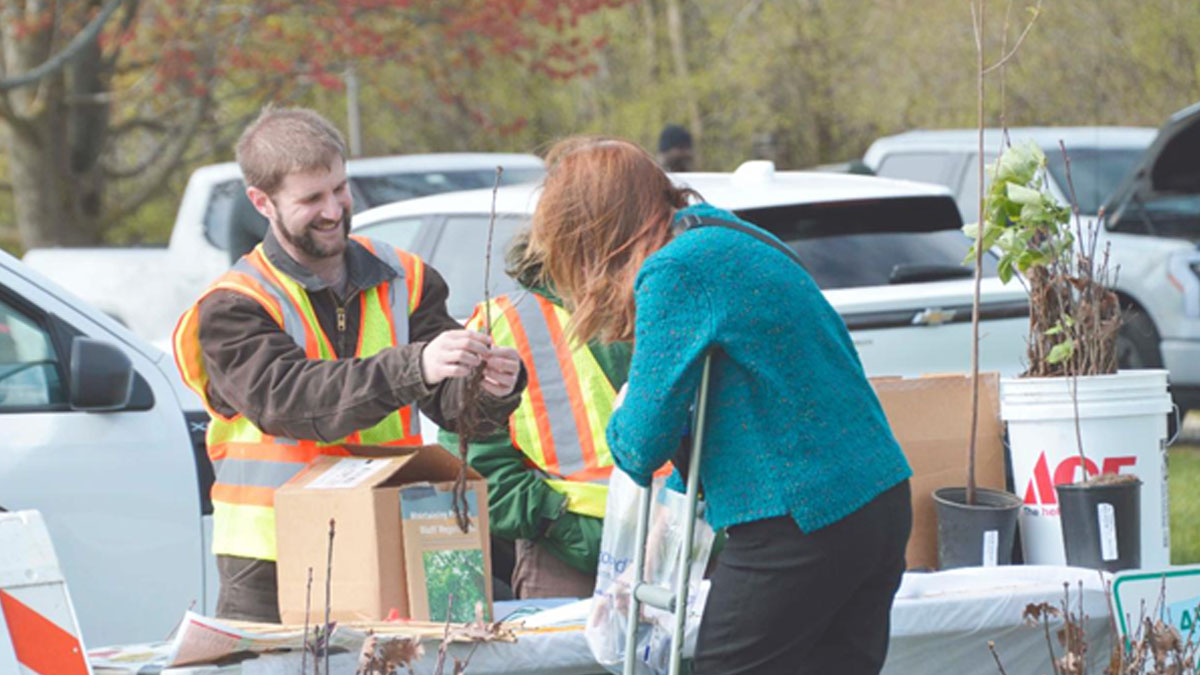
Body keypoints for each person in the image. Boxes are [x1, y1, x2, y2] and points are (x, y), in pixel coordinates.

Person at [529, 136, 913, 675]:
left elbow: (640, 445)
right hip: (877, 499)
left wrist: (624, 408)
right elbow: (729, 411)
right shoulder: (728, 234)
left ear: (593, 229)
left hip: (801, 518)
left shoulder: (676, 270)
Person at [173, 107, 524, 623]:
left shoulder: (405, 276)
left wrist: (488, 387)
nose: (334, 210)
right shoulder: (232, 305)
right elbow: (292, 401)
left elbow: (453, 410)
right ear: (261, 202)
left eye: (339, 188)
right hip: (271, 555)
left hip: (390, 527)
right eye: (311, 198)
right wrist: (415, 366)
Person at [440, 232, 668, 599]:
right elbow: (471, 459)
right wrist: (554, 520)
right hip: (567, 560)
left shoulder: (675, 307)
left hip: (682, 552)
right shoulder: (506, 321)